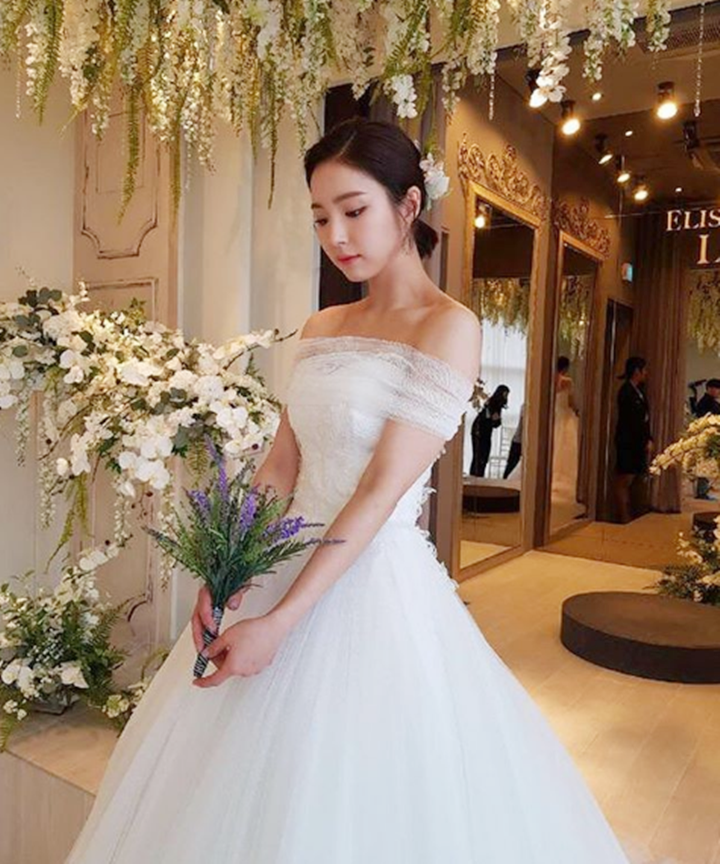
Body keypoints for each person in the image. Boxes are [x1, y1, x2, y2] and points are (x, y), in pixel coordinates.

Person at [66, 119, 639, 863]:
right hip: (279, 562)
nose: (335, 235)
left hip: (370, 585)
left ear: (408, 205)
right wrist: (229, 569)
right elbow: (281, 466)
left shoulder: (449, 327)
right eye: (320, 217)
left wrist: (282, 622)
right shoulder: (323, 324)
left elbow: (377, 491)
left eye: (354, 209)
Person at [614, 356, 653, 523]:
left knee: (636, 477)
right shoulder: (626, 391)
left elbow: (644, 419)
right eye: (644, 370)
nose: (646, 373)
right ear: (637, 371)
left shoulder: (639, 391)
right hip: (628, 441)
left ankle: (634, 513)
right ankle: (624, 516)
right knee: (625, 478)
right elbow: (631, 421)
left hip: (639, 442)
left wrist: (648, 438)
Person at [551, 356, 580, 502]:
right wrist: (577, 410)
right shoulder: (567, 381)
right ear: (566, 367)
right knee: (566, 445)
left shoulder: (551, 380)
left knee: (555, 443)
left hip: (556, 414)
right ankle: (562, 476)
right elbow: (571, 401)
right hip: (566, 415)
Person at [469, 384, 509, 477]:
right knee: (480, 456)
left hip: (483, 431)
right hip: (480, 431)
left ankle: (477, 476)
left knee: (482, 456)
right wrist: (496, 420)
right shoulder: (494, 403)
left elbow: (495, 422)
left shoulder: (494, 403)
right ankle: (476, 476)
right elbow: (495, 422)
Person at [694, 378, 720, 500]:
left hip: (711, 435)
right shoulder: (705, 403)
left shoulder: (712, 403)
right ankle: (702, 491)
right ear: (710, 389)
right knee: (704, 463)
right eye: (717, 388)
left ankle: (703, 490)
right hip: (706, 436)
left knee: (707, 464)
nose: (718, 391)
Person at [503, 402, 524, 480]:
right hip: (519, 441)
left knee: (511, 465)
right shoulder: (525, 407)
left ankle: (505, 481)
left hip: (518, 440)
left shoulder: (524, 407)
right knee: (511, 465)